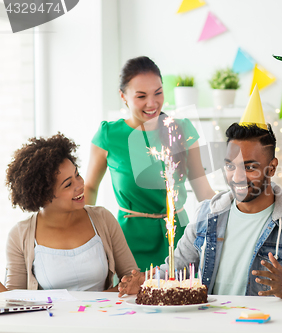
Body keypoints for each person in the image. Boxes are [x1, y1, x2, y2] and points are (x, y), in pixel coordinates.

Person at [118, 122, 282, 298]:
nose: (237, 177)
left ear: (271, 168)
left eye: (250, 167)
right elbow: (176, 269)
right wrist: (146, 281)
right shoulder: (205, 215)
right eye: (230, 166)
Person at [85, 56, 215, 271]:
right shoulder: (108, 135)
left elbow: (203, 190)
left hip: (179, 239)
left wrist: (231, 221)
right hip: (127, 242)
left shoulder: (182, 130)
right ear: (123, 97)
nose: (152, 103)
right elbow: (89, 187)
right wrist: (87, 235)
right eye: (141, 96)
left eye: (158, 93)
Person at [5, 133, 138, 291]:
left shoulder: (102, 218)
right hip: (51, 317)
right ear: (43, 195)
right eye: (68, 185)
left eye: (77, 175)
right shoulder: (20, 235)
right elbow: (14, 299)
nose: (80, 185)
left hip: (102, 315)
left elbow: (132, 279)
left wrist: (95, 305)